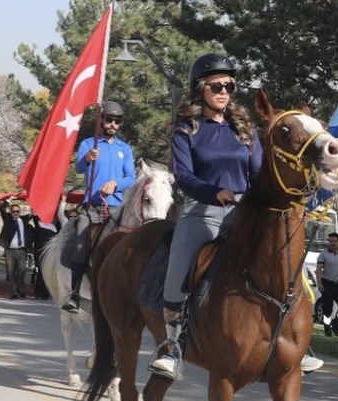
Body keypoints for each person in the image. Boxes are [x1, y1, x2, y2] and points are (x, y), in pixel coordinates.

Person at [149, 53, 263, 380]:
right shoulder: (186, 130)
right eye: (217, 85)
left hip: (244, 211)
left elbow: (259, 172)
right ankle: (172, 346)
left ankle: (297, 335)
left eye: (229, 84)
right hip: (203, 211)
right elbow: (183, 177)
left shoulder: (246, 130)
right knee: (180, 263)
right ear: (201, 89)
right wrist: (215, 192)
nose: (225, 90)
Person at [61, 99, 137, 313]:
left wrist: (116, 184)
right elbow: (78, 168)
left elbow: (131, 177)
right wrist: (87, 158)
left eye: (117, 121)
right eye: (109, 119)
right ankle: (74, 293)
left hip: (118, 208)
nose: (113, 124)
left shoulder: (125, 148)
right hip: (93, 207)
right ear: (101, 120)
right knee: (80, 244)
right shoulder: (89, 143)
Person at [0, 202, 32, 299]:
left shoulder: (24, 220)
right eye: (13, 211)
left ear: (20, 212)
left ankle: (21, 290)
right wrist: (8, 201)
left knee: (22, 271)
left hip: (21, 251)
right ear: (11, 212)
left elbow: (33, 213)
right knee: (11, 272)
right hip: (10, 251)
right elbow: (2, 209)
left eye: (17, 211)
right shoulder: (8, 219)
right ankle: (14, 291)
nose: (15, 213)